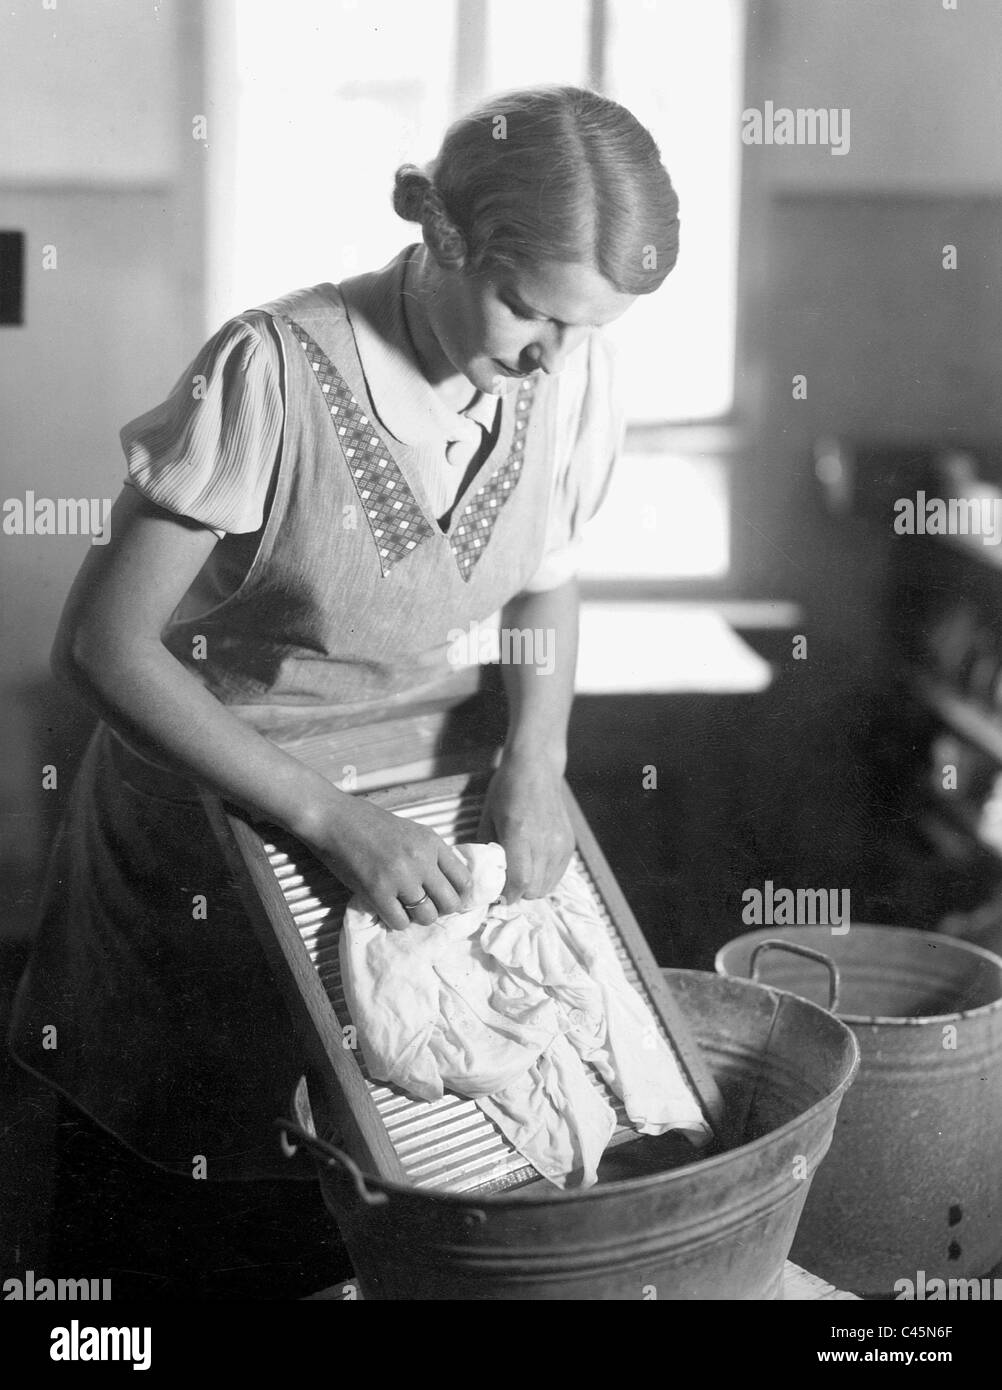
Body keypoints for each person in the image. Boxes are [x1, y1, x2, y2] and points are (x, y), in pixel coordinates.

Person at [8, 84, 681, 1297]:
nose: (554, 357)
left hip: (417, 826)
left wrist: (539, 758)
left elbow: (547, 581)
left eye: (587, 329)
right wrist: (325, 817)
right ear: (445, 238)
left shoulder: (567, 372)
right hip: (213, 834)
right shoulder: (269, 370)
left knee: (375, 1202)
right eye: (531, 311)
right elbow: (104, 646)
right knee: (185, 1220)